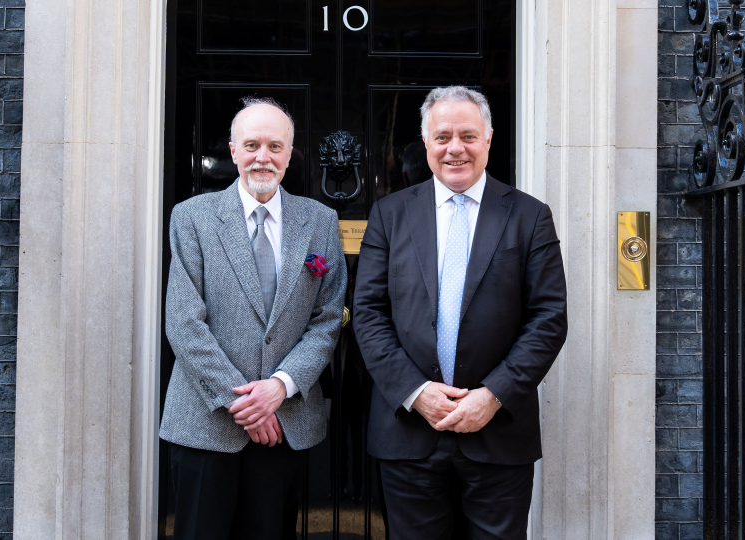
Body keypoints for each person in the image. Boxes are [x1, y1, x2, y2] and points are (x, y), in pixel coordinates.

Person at [353, 86, 568, 540]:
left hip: (498, 433)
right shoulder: (389, 215)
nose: (456, 148)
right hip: (407, 432)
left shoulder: (530, 217)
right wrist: (416, 392)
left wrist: (491, 396)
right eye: (443, 136)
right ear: (426, 143)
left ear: (489, 139)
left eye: (468, 135)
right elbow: (369, 313)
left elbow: (548, 318)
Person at [160, 97, 347, 540]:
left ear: (289, 154)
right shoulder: (192, 217)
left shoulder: (320, 222)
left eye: (275, 147)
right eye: (252, 145)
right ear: (232, 150)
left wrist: (279, 388)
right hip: (205, 425)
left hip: (285, 427)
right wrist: (246, 404)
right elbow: (184, 323)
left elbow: (327, 320)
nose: (263, 157)